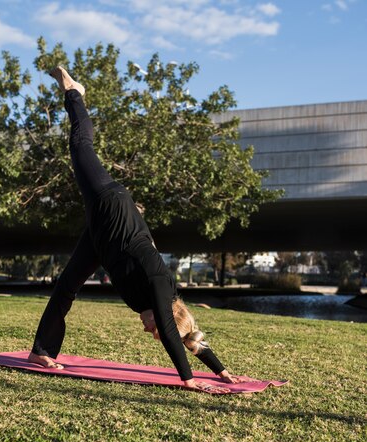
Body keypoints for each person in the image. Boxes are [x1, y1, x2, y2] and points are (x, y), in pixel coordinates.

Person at [28, 67, 240, 394]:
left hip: (103, 240)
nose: (148, 330)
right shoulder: (161, 286)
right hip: (111, 205)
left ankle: (41, 351)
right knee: (81, 146)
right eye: (154, 328)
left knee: (66, 287)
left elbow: (186, 337)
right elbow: (171, 333)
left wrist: (221, 369)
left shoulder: (153, 304)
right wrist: (189, 380)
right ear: (162, 314)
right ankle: (74, 93)